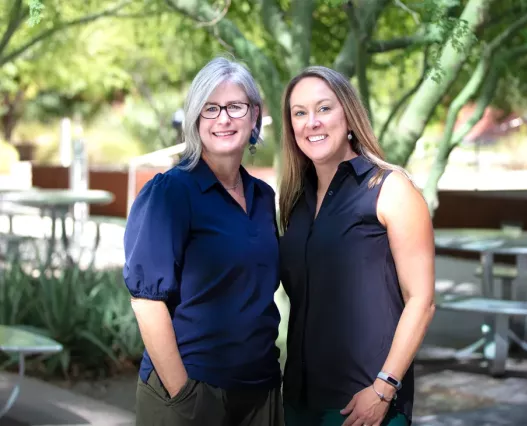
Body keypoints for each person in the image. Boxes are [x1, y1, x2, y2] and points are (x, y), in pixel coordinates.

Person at [123, 57, 284, 426]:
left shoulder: (262, 197)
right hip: (192, 389)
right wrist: (185, 395)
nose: (223, 119)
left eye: (235, 107)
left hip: (260, 391)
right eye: (210, 108)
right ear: (195, 118)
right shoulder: (170, 193)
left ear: (255, 115)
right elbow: (147, 302)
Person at [278, 66, 436, 426]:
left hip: (365, 404)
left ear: (348, 114)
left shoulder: (389, 189)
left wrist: (384, 387)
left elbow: (422, 301)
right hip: (300, 401)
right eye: (299, 113)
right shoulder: (295, 202)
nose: (311, 122)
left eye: (324, 109)